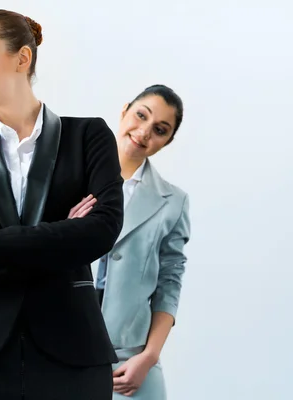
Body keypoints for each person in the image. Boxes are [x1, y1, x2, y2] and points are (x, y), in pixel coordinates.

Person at [0, 9, 123, 400]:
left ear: (21, 58)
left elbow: (100, 232)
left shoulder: (89, 137)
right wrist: (58, 244)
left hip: (72, 355)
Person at [95, 85, 190, 399]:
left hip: (130, 359)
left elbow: (169, 284)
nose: (145, 131)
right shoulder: (70, 177)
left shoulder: (172, 202)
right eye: (141, 115)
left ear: (167, 142)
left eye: (160, 130)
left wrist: (148, 357)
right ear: (124, 111)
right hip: (61, 349)